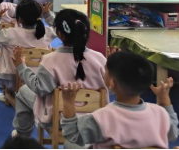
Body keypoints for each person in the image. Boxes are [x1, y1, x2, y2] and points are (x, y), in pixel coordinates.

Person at [11, 9, 107, 140]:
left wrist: (21, 66)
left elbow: (40, 88)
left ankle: (22, 137)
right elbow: (108, 88)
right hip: (95, 119)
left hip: (59, 119)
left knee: (23, 91)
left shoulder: (50, 60)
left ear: (60, 34)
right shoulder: (100, 59)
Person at [61, 51, 179, 149]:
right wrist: (164, 99)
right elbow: (173, 134)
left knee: (70, 144)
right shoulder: (161, 114)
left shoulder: (101, 118)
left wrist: (68, 102)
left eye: (106, 70)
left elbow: (73, 134)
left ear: (112, 83)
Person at [0, 0, 56, 103]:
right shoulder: (48, 32)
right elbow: (58, 27)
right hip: (42, 79)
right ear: (39, 16)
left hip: (13, 80)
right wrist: (48, 15)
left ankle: (6, 93)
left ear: (19, 19)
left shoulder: (11, 34)